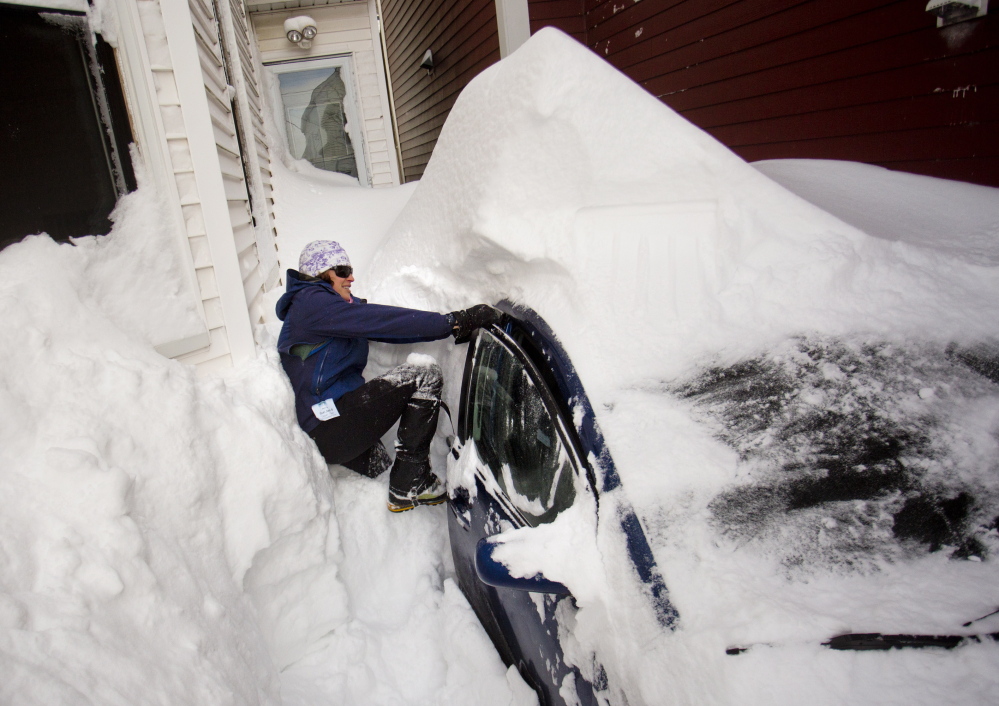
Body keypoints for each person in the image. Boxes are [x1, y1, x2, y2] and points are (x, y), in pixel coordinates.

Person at [276, 240, 502, 512]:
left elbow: (384, 328)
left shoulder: (324, 310)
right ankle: (411, 483)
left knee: (383, 472)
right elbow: (381, 320)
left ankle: (404, 499)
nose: (351, 277)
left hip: (334, 421)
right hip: (328, 423)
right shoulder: (311, 303)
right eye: (343, 270)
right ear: (320, 274)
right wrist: (451, 322)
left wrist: (446, 325)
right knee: (424, 375)